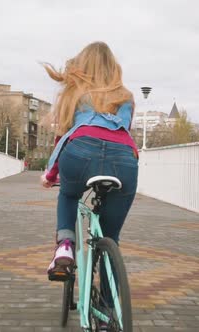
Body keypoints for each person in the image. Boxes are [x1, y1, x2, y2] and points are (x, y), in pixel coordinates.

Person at [40, 42, 139, 281]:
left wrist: (51, 175)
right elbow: (122, 131)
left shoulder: (76, 94)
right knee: (110, 237)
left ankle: (65, 246)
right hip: (124, 160)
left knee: (68, 195)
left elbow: (65, 137)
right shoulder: (125, 97)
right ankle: (107, 313)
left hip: (79, 153)